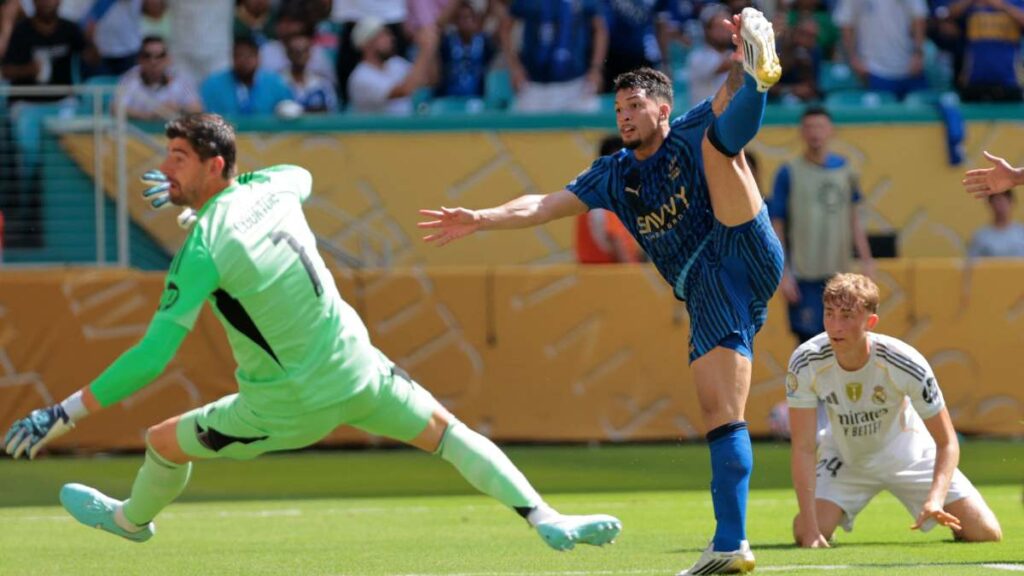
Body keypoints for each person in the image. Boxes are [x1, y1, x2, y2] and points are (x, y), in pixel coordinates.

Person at [1, 113, 622, 552]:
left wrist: (62, 412)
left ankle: (132, 522)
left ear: (215, 165)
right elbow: (296, 176)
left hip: (287, 403)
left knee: (163, 442)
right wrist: (194, 202)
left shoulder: (203, 250)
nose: (163, 167)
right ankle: (544, 517)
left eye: (178, 158)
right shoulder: (277, 185)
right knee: (451, 436)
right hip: (358, 368)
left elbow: (152, 357)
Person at [419, 8, 783, 575]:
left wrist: (743, 66)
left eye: (636, 106)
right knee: (720, 412)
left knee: (717, 141)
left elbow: (722, 95)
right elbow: (541, 205)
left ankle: (764, 78)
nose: (626, 115)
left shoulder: (686, 126)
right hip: (709, 286)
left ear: (661, 108)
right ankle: (731, 544)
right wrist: (482, 218)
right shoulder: (610, 173)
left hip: (739, 243)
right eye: (619, 109)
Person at [786, 273, 1002, 547]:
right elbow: (803, 446)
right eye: (829, 314)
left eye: (847, 316)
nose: (835, 326)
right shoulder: (806, 360)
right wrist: (812, 528)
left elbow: (947, 442)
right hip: (846, 459)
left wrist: (935, 498)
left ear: (871, 322)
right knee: (804, 530)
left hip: (909, 456)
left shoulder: (905, 362)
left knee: (984, 532)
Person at [769, 106, 873, 345]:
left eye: (820, 127)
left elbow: (854, 220)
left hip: (840, 275)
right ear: (801, 133)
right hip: (804, 276)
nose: (815, 133)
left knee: (843, 343)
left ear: (831, 131)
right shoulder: (788, 173)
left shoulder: (846, 171)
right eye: (809, 127)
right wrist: (783, 274)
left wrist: (867, 261)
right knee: (809, 347)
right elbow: (777, 226)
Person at [347, 16, 438, 115]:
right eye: (382, 35)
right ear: (366, 43)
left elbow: (429, 80)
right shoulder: (360, 76)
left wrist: (431, 46)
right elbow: (404, 90)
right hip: (377, 130)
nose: (390, 39)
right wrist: (424, 50)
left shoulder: (395, 63)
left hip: (404, 128)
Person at [575, 135, 644, 264]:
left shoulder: (590, 189)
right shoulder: (607, 192)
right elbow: (615, 239)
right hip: (608, 274)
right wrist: (634, 275)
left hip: (591, 273)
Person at [114, 35, 202, 121]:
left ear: (168, 59)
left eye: (160, 56)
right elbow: (115, 108)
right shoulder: (131, 77)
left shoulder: (180, 77)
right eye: (147, 56)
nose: (153, 61)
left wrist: (178, 108)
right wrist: (149, 115)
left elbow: (197, 109)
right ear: (139, 59)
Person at [200, 35, 293, 116]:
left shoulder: (276, 83)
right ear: (232, 57)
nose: (244, 61)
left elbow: (288, 111)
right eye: (239, 55)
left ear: (258, 58)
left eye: (249, 56)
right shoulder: (213, 85)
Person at [966, 190, 1024, 258]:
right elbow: (972, 264)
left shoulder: (1021, 233)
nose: (1000, 206)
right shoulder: (981, 236)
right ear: (990, 204)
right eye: (996, 201)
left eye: (1003, 202)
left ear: (1012, 203)